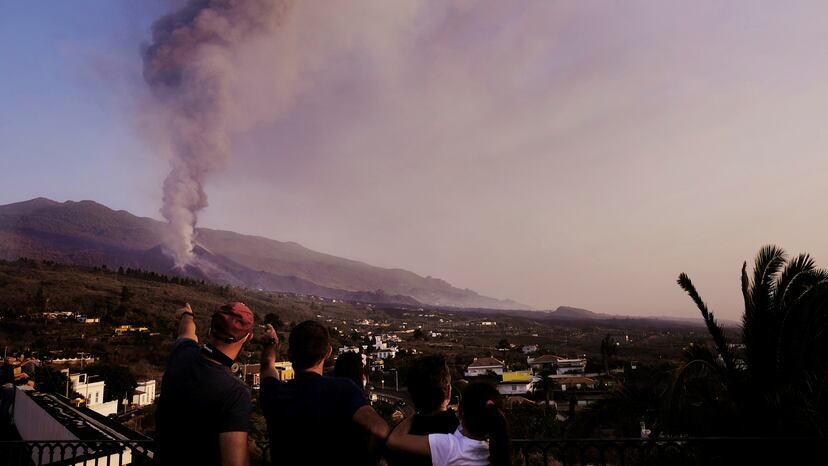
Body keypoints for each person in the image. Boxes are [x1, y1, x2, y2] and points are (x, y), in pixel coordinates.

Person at [260, 321, 390, 466]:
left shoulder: (275, 392)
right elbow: (379, 429)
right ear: (328, 352)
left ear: (289, 354)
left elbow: (267, 365)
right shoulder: (343, 389)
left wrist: (271, 343)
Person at [155, 302, 254, 466]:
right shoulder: (235, 392)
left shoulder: (182, 354)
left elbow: (187, 331)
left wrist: (187, 315)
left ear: (210, 330)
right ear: (248, 338)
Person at [387, 382, 511, 466]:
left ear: (461, 412)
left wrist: (418, 413)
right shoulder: (496, 449)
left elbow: (394, 439)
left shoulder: (450, 446)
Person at [387, 355, 460, 466]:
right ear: (447, 389)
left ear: (411, 393)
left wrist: (418, 414)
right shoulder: (458, 432)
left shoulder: (400, 438)